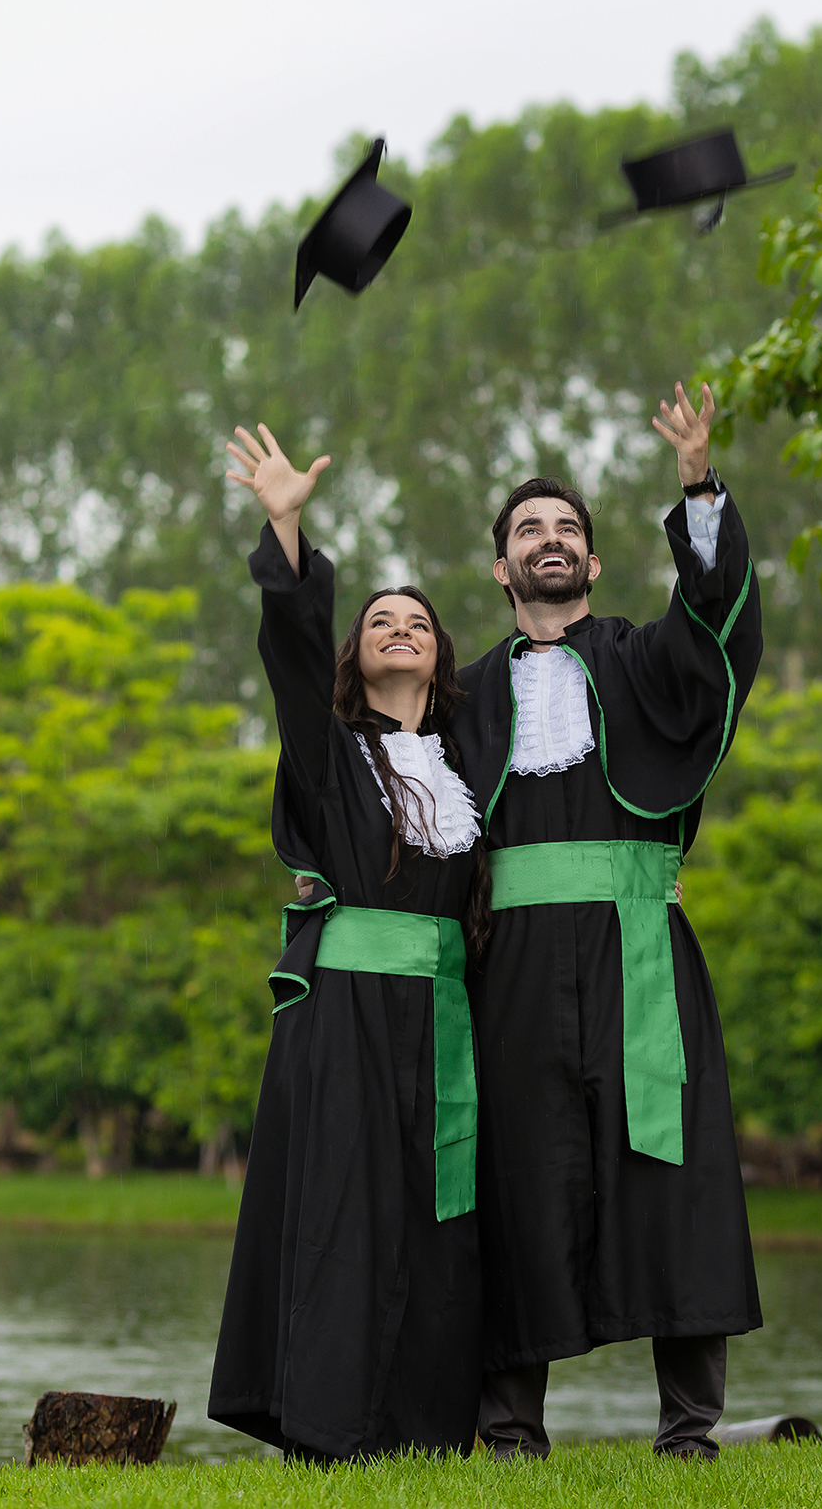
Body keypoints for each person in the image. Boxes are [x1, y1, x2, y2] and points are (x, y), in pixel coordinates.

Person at [450, 379, 764, 1460]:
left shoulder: (641, 659)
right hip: (514, 966)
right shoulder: (467, 696)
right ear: (501, 568)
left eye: (568, 529)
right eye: (529, 530)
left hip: (640, 950)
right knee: (518, 1171)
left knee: (667, 1171)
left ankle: (688, 1432)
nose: (551, 541)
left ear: (591, 561)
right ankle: (508, 1434)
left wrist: (697, 482)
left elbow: (719, 627)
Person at [207, 422, 488, 1464]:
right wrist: (288, 529)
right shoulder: (332, 756)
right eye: (380, 619)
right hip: (347, 1016)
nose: (401, 627)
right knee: (344, 1214)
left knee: (437, 1217)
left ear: (440, 652)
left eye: (418, 620)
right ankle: (328, 1431)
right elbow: (287, 652)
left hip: (445, 1016)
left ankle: (426, 1433)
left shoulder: (470, 769)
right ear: (356, 652)